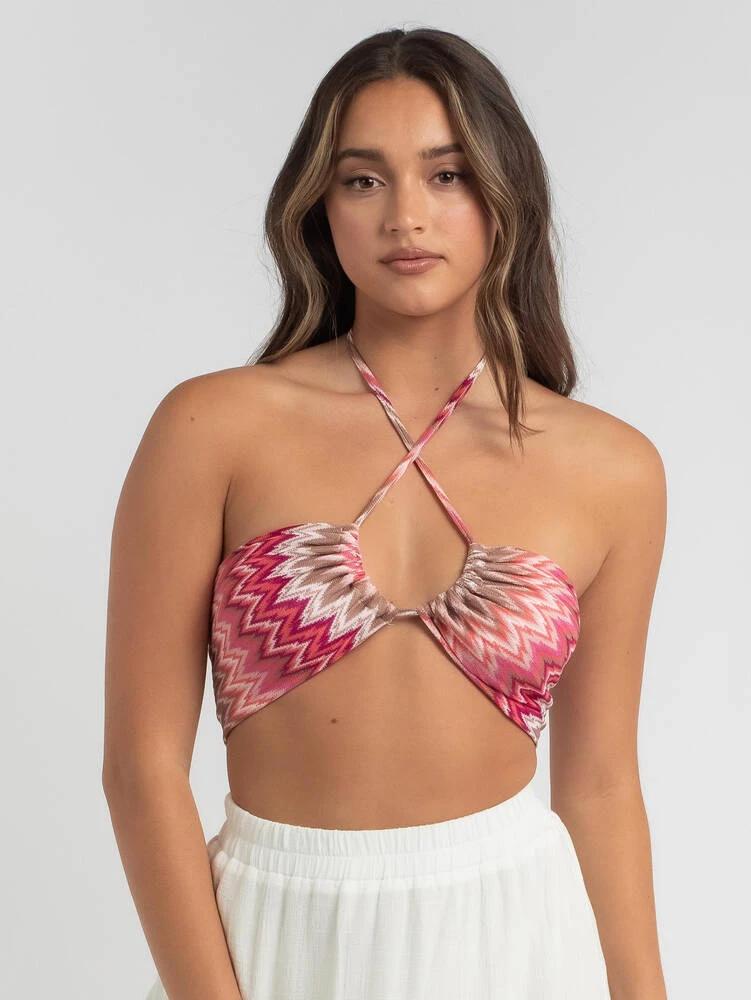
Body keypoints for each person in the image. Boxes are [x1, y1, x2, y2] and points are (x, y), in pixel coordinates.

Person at [103, 26, 668, 1000]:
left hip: (515, 939)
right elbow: (141, 767)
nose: (406, 216)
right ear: (319, 206)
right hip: (272, 937)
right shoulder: (212, 428)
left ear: (504, 194)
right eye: (363, 179)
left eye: (446, 175)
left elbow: (600, 783)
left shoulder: (611, 468)